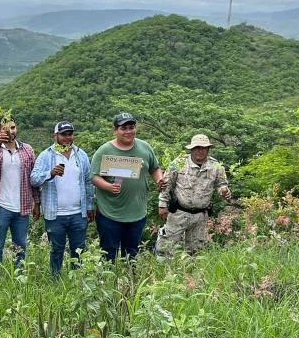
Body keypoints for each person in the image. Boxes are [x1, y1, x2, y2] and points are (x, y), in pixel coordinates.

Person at [90, 112, 163, 261]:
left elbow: (155, 168)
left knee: (132, 253)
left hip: (136, 212)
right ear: (115, 130)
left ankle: (130, 282)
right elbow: (93, 176)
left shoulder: (144, 147)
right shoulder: (104, 150)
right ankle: (108, 282)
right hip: (109, 213)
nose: (128, 131)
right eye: (124, 128)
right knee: (108, 253)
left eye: (131, 127)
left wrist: (159, 180)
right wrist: (107, 186)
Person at [30, 121, 94, 275]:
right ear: (55, 136)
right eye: (63, 134)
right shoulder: (46, 155)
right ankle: (55, 279)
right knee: (56, 249)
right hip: (55, 213)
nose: (67, 137)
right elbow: (33, 179)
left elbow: (88, 182)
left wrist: (90, 206)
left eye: (69, 134)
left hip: (78, 212)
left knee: (78, 250)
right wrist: (50, 174)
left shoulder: (81, 155)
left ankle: (76, 279)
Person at [155, 134, 231, 256]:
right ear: (191, 149)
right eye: (197, 147)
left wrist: (224, 190)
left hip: (200, 215)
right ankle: (162, 271)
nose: (201, 151)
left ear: (208, 149)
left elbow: (221, 184)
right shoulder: (178, 163)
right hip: (179, 212)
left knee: (196, 250)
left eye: (204, 148)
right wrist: (162, 204)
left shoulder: (216, 166)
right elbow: (166, 184)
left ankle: (191, 274)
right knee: (166, 246)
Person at [0, 114, 40, 267]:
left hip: (22, 207)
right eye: (5, 128)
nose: (10, 131)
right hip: (0, 206)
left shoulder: (27, 149)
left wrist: (37, 202)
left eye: (13, 127)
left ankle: (19, 277)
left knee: (20, 246)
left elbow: (32, 178)